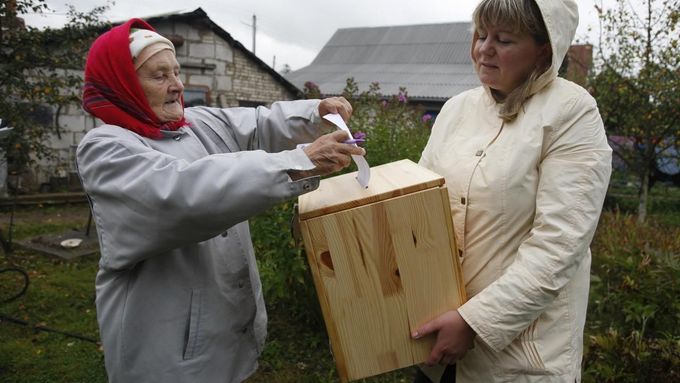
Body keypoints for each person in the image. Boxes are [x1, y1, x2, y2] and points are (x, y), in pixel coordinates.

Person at [76, 19, 365, 383]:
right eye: (159, 76)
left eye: (176, 72)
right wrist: (299, 160)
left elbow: (258, 123)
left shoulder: (193, 124)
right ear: (123, 85)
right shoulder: (106, 149)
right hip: (167, 355)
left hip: (224, 333)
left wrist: (313, 112)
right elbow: (182, 196)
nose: (177, 85)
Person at [412, 0, 612, 382]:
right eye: (481, 34)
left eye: (503, 40)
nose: (484, 48)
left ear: (544, 49)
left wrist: (473, 322)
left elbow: (558, 246)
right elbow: (422, 201)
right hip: (438, 346)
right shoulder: (456, 110)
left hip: (519, 360)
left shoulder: (572, 113)